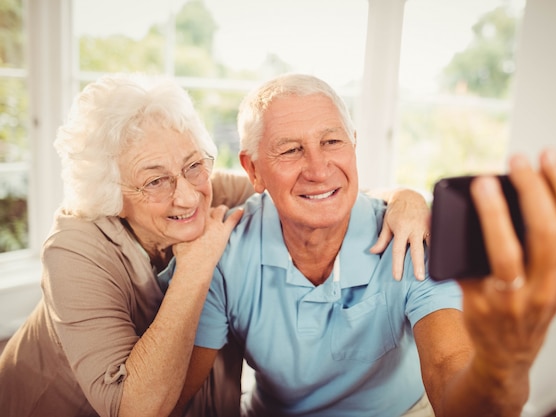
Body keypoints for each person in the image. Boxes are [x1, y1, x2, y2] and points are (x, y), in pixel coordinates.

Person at [0, 73, 431, 417]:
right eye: (155, 181)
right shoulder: (74, 249)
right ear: (110, 193)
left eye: (192, 166)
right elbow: (135, 409)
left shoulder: (215, 192)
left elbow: (314, 189)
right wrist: (196, 265)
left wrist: (405, 198)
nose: (187, 196)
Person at [175, 73, 556, 417]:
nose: (319, 169)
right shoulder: (225, 253)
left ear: (354, 145)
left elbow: (451, 371)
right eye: (290, 150)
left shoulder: (412, 235)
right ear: (253, 169)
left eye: (333, 142)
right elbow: (172, 397)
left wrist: (504, 363)